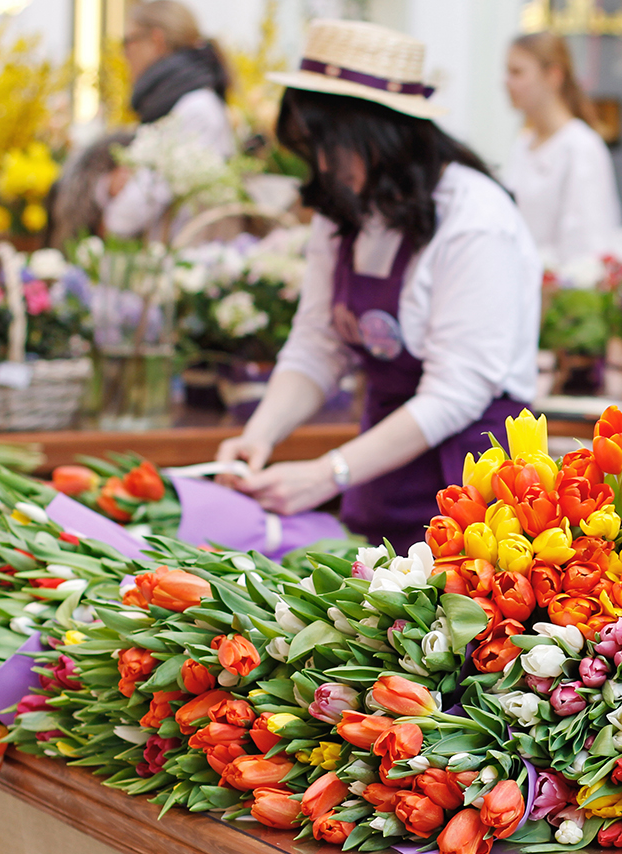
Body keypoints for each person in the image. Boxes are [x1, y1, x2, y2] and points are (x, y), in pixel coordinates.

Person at [216, 20, 541, 550]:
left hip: (479, 484)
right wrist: (261, 434)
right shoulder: (345, 206)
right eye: (313, 147)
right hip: (384, 465)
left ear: (383, 134)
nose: (322, 165)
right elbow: (318, 344)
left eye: (333, 146)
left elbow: (456, 392)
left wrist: (329, 472)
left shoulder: (475, 219)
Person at [102, 0, 237, 237]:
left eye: (128, 42)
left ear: (156, 41)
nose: (124, 54)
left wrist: (115, 197)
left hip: (189, 265)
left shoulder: (196, 110)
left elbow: (129, 214)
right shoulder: (171, 105)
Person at [501, 32, 622, 266]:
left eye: (517, 72)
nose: (506, 82)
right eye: (507, 72)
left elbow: (587, 246)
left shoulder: (581, 147)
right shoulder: (523, 144)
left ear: (553, 76)